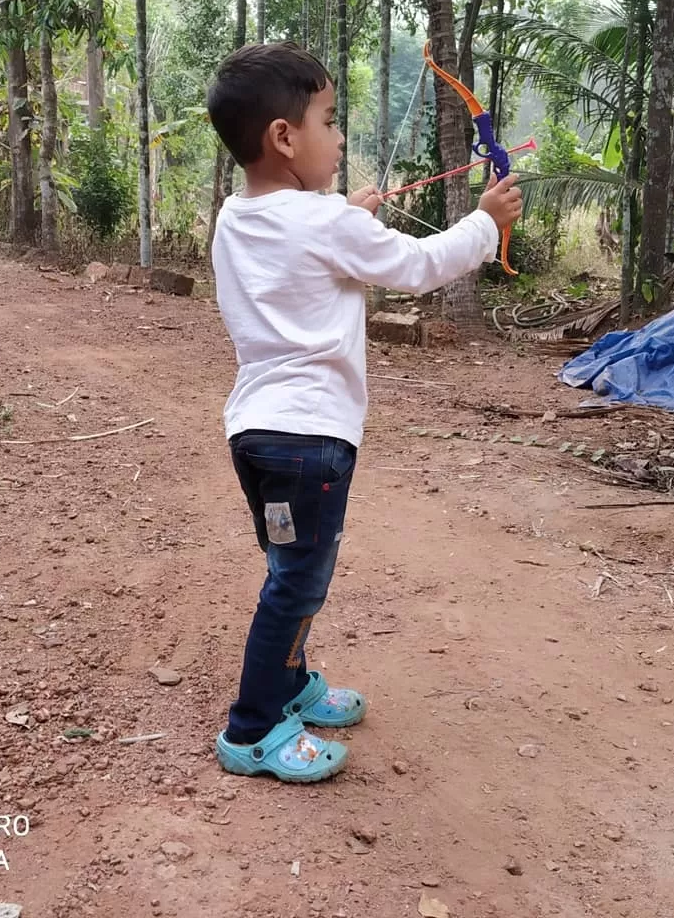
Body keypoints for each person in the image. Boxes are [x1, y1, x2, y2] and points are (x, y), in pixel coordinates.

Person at [206, 41, 523, 783]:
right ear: (284, 138)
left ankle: (290, 685)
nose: (340, 135)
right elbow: (416, 269)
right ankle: (252, 729)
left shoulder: (235, 217)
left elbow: (297, 244)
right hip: (311, 443)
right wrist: (485, 221)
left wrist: (339, 214)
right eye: (328, 118)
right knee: (298, 582)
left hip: (258, 438)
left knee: (290, 569)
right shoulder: (325, 226)